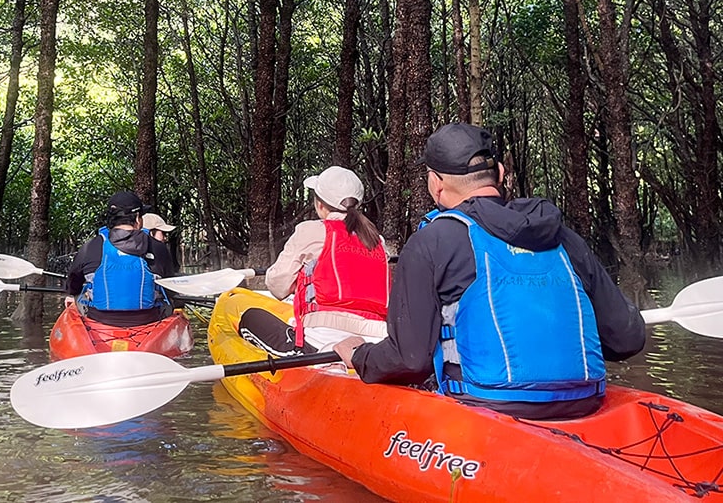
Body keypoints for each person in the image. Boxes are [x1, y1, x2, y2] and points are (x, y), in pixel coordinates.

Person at [334, 123, 647, 420]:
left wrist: (360, 355)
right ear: (499, 173)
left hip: (486, 405)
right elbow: (627, 339)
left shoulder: (431, 241)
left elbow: (409, 360)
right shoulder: (565, 238)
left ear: (436, 183)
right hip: (584, 403)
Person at [241, 165, 390, 356]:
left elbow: (277, 286)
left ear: (320, 205)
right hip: (376, 345)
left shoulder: (309, 231)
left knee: (250, 317)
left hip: (319, 344)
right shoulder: (378, 241)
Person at [66, 191, 177, 326]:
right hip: (147, 319)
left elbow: (73, 285)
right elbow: (171, 289)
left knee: (77, 296)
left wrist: (75, 293)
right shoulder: (158, 247)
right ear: (137, 218)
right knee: (167, 300)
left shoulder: (90, 247)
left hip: (100, 319)